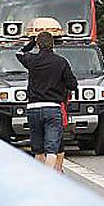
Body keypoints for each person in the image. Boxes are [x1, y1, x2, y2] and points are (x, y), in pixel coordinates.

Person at [16, 32, 77, 170]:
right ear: (53, 44)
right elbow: (72, 84)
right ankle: (50, 178)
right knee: (52, 148)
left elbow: (19, 53)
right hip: (52, 107)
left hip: (33, 108)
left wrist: (30, 43)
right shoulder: (61, 62)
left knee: (38, 148)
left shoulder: (32, 60)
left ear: (38, 45)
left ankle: (40, 177)